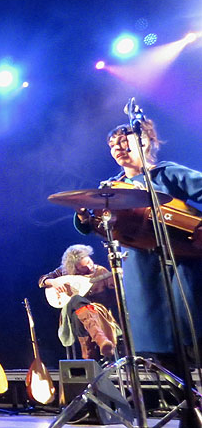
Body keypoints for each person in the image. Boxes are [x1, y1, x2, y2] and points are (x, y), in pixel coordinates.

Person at [75, 118, 202, 363]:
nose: (117, 148)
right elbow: (97, 225)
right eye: (112, 145)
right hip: (140, 267)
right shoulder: (113, 188)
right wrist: (84, 217)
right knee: (156, 342)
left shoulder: (166, 173)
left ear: (144, 141)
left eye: (123, 141)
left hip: (180, 261)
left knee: (190, 326)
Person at [39, 244, 120, 360]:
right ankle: (101, 341)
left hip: (99, 313)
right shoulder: (65, 272)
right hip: (72, 312)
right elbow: (42, 280)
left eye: (89, 262)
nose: (89, 267)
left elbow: (115, 292)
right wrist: (53, 282)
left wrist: (118, 279)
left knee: (78, 315)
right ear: (75, 269)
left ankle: (89, 355)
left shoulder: (101, 271)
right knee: (76, 299)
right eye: (83, 267)